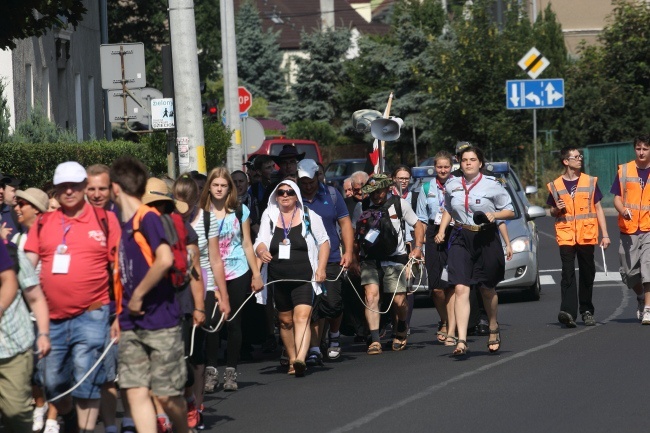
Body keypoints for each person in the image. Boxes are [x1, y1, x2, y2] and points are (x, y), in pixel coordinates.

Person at [24, 161, 121, 433]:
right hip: (51, 320)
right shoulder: (43, 223)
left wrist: (121, 314)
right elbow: (26, 266)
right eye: (62, 187)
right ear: (55, 190)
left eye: (74, 186)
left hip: (93, 312)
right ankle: (66, 415)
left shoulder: (105, 220)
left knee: (86, 375)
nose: (69, 191)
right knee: (52, 382)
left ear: (83, 187)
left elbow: (119, 271)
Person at [109, 157, 189, 433]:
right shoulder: (123, 225)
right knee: (135, 391)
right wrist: (119, 314)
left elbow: (164, 259)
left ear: (116, 189)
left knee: (166, 395)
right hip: (131, 323)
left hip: (161, 321)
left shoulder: (148, 218)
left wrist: (138, 295)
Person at [434, 146, 514, 356]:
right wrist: (442, 230)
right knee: (460, 288)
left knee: (487, 289)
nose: (468, 163)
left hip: (485, 237)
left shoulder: (493, 185)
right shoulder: (452, 184)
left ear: (480, 163)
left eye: (472, 159)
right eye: (464, 160)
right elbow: (448, 210)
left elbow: (510, 210)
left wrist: (494, 216)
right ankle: (461, 340)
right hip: (460, 236)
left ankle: (493, 326)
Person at [254, 180, 330, 377]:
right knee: (285, 320)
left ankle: (300, 359)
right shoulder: (269, 216)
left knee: (302, 317)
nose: (285, 195)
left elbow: (324, 242)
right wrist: (261, 250)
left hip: (304, 277)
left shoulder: (309, 216)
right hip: (278, 278)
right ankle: (292, 356)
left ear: (296, 196)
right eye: (281, 192)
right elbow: (260, 241)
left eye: (289, 192)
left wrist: (321, 268)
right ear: (276, 196)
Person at [199, 167, 264, 390]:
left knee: (234, 322)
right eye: (215, 185)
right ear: (210, 187)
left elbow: (247, 243)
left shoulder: (240, 211)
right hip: (210, 273)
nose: (219, 189)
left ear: (230, 189)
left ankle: (231, 372)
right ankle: (211, 371)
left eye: (223, 185)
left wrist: (256, 274)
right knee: (211, 324)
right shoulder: (201, 212)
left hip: (237, 270)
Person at [173, 174, 230, 403]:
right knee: (177, 345)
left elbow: (215, 259)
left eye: (188, 206)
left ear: (197, 199)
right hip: (175, 286)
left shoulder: (207, 220)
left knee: (196, 346)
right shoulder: (166, 218)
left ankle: (197, 403)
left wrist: (222, 294)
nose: (183, 212)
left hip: (202, 283)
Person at [355, 174, 424, 355]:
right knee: (371, 297)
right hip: (369, 259)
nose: (376, 195)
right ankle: (375, 339)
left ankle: (401, 327)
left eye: (379, 191)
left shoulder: (400, 204)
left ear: (387, 189)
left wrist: (417, 248)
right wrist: (354, 259)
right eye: (372, 192)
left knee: (399, 301)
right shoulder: (361, 206)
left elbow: (418, 225)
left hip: (395, 258)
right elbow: (356, 236)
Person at [297, 159, 354, 364]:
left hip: (330, 259)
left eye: (311, 181)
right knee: (312, 306)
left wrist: (348, 252)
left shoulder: (331, 194)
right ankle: (314, 347)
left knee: (333, 304)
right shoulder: (293, 197)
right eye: (303, 182)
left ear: (317, 177)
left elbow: (345, 223)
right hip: (304, 260)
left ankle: (335, 336)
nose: (307, 186)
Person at [547, 146, 610, 328]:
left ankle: (587, 310)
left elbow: (598, 208)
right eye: (575, 157)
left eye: (580, 156)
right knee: (567, 272)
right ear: (566, 161)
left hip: (586, 234)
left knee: (587, 272)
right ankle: (568, 311)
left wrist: (605, 234)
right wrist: (556, 208)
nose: (579, 159)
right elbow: (552, 211)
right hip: (566, 234)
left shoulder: (590, 182)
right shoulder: (556, 185)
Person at [0, 229, 51, 432]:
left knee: (15, 415)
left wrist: (44, 334)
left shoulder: (11, 253)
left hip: (13, 348)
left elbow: (36, 298)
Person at [415, 151, 456, 345]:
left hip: (454, 232)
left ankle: (453, 326)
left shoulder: (458, 185)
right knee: (437, 288)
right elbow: (421, 219)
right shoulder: (426, 187)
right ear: (434, 167)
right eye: (439, 167)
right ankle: (445, 320)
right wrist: (419, 246)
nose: (443, 170)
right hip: (433, 234)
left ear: (451, 167)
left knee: (453, 284)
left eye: (446, 167)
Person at [610, 135, 650, 323]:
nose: (641, 152)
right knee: (629, 273)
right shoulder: (624, 170)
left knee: (648, 268)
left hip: (649, 228)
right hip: (629, 229)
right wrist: (622, 210)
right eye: (638, 148)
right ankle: (641, 297)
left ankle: (648, 309)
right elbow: (617, 198)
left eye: (645, 149)